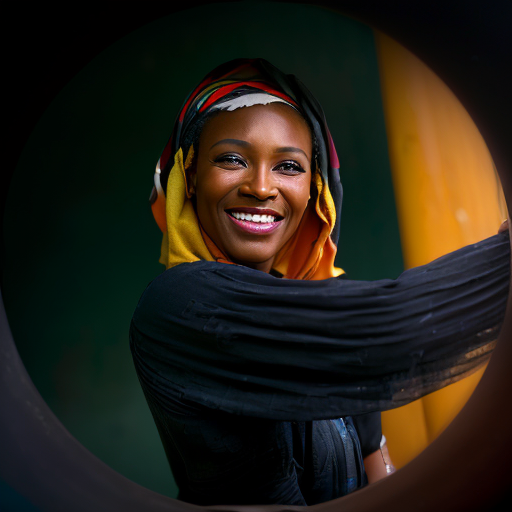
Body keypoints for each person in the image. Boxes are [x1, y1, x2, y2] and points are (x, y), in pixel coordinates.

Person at [130, 58, 510, 506]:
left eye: (289, 166)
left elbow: (378, 471)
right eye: (232, 159)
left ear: (315, 188)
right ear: (190, 177)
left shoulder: (319, 311)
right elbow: (396, 330)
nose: (260, 187)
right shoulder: (176, 305)